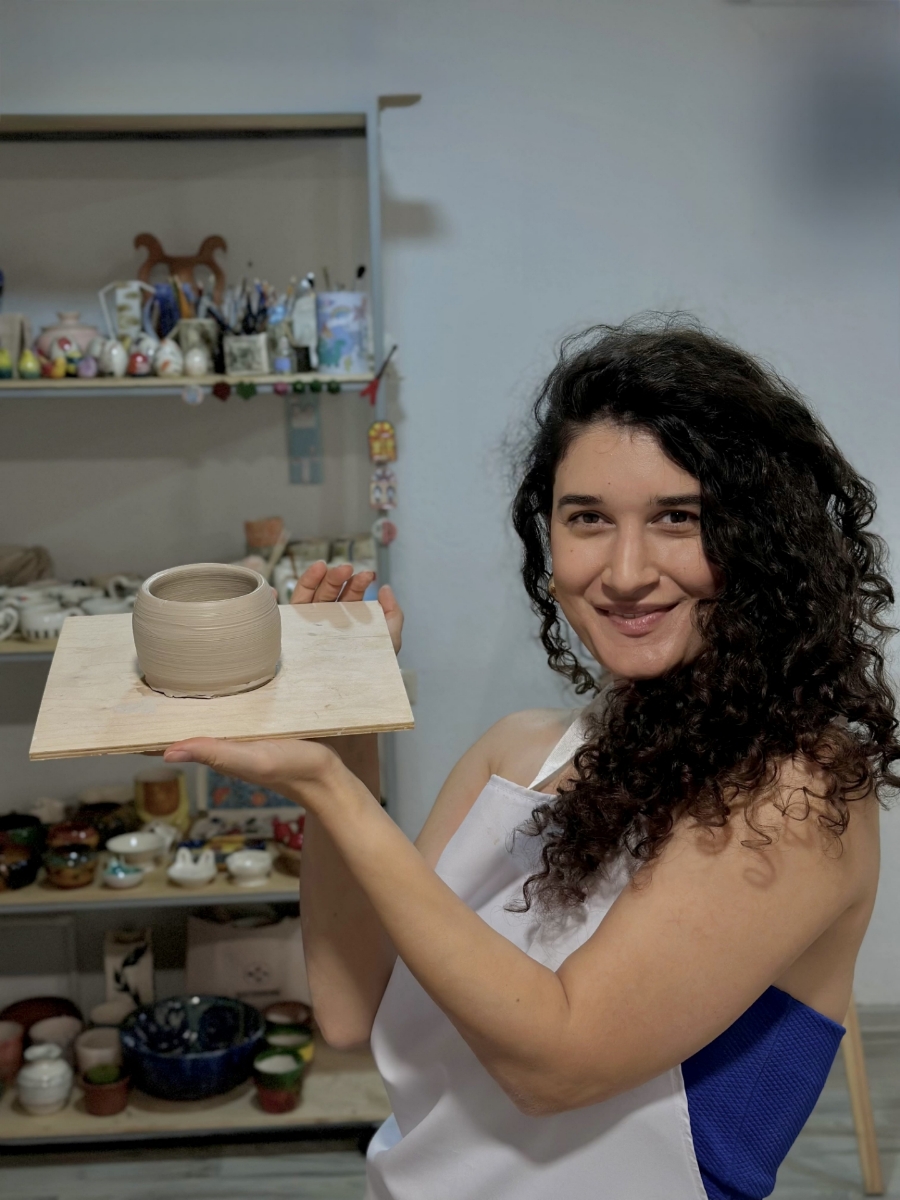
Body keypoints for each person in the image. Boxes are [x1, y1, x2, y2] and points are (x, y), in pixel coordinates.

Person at [164, 318, 898, 1200]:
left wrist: (332, 792)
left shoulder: (798, 791)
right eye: (587, 519)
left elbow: (558, 1065)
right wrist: (345, 737)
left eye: (678, 518)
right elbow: (352, 1009)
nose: (624, 572)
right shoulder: (517, 752)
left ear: (762, 540)